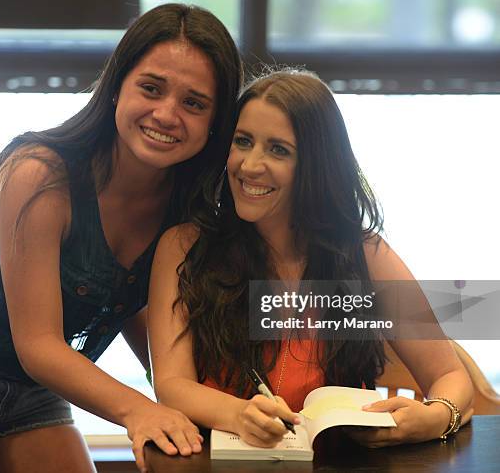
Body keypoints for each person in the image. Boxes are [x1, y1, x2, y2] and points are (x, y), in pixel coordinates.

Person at [0, 3, 242, 473]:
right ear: (116, 87)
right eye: (151, 88)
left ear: (216, 121)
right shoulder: (37, 173)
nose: (166, 114)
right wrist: (138, 410)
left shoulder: (189, 207)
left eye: (194, 103)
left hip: (32, 388)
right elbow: (38, 344)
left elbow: (133, 305)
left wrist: (209, 400)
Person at [148, 69, 473, 450]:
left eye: (278, 149)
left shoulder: (365, 254)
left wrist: (434, 417)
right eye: (243, 141)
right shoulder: (184, 247)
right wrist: (239, 414)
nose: (250, 165)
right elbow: (171, 386)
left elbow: (451, 375)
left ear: (317, 165)